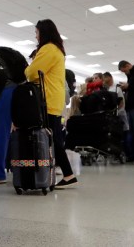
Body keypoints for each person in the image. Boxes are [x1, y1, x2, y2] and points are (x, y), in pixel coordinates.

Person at [24, 19, 77, 189]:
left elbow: (32, 73)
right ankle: (67, 174)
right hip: (54, 99)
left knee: (52, 140)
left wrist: (27, 69)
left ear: (43, 32)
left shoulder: (48, 49)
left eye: (37, 32)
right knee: (54, 139)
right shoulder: (57, 50)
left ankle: (67, 174)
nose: (36, 35)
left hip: (47, 101)